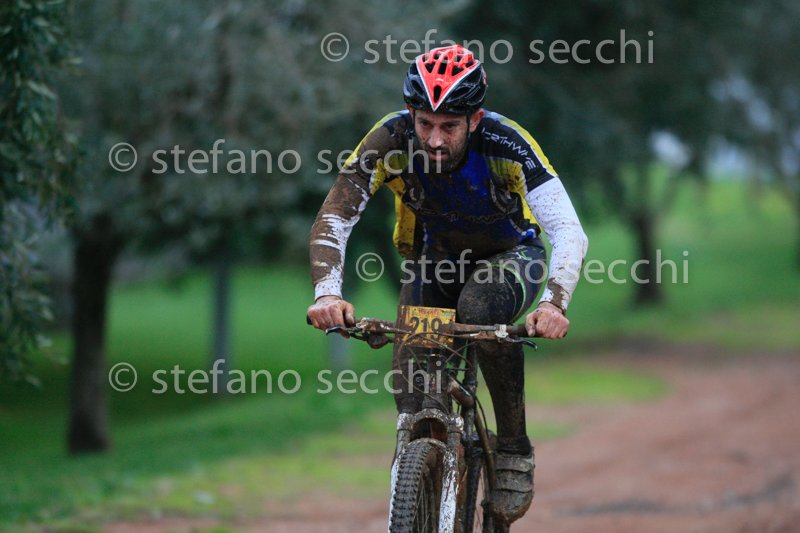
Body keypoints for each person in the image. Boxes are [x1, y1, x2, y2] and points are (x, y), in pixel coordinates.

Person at [307, 44, 588, 524]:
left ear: (474, 119)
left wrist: (554, 303)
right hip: (435, 260)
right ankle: (416, 489)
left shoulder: (507, 143)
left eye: (450, 126)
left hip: (510, 257)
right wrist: (327, 293)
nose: (435, 139)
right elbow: (335, 216)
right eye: (425, 124)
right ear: (411, 113)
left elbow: (567, 230)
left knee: (481, 308)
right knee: (412, 391)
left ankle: (513, 446)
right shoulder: (389, 139)